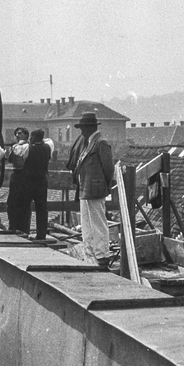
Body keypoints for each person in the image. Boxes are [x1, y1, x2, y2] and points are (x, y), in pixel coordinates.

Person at [64, 112, 115, 269]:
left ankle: (102, 254)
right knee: (86, 223)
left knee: (98, 222)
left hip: (95, 188)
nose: (81, 131)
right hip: (85, 188)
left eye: (83, 128)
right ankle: (90, 252)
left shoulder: (101, 143)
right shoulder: (87, 143)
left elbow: (109, 169)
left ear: (89, 127)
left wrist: (102, 185)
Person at [7, 128, 54, 239]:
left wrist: (21, 143)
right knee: (42, 208)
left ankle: (23, 232)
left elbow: (17, 150)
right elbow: (49, 141)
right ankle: (41, 235)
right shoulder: (48, 147)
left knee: (24, 206)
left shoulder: (27, 148)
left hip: (28, 181)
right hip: (42, 181)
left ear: (32, 138)